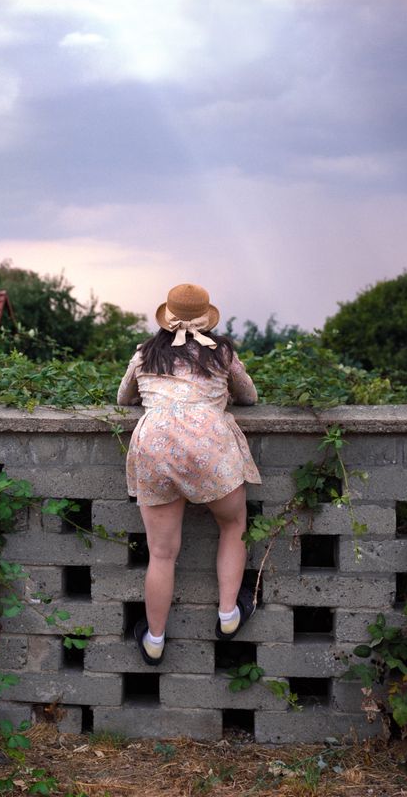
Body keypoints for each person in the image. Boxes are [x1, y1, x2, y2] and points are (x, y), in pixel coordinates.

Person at [117, 283, 261, 666]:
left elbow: (122, 399)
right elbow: (250, 396)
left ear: (166, 318)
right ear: (207, 317)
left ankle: (154, 640)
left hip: (155, 446)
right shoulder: (221, 353)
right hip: (209, 446)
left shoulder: (145, 354)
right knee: (233, 526)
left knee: (161, 553)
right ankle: (229, 615)